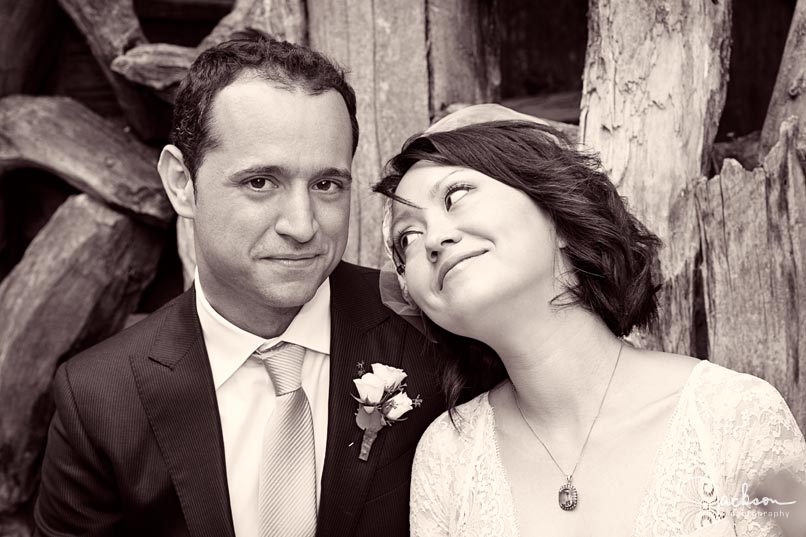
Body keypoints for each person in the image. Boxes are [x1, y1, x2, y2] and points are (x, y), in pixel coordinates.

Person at [34, 31, 447, 537]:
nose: (302, 225)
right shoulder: (99, 399)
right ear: (182, 183)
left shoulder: (433, 336)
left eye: (326, 185)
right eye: (260, 182)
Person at [373, 104, 806, 536]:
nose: (432, 239)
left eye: (456, 196)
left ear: (558, 212)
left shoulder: (739, 414)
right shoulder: (446, 455)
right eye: (407, 238)